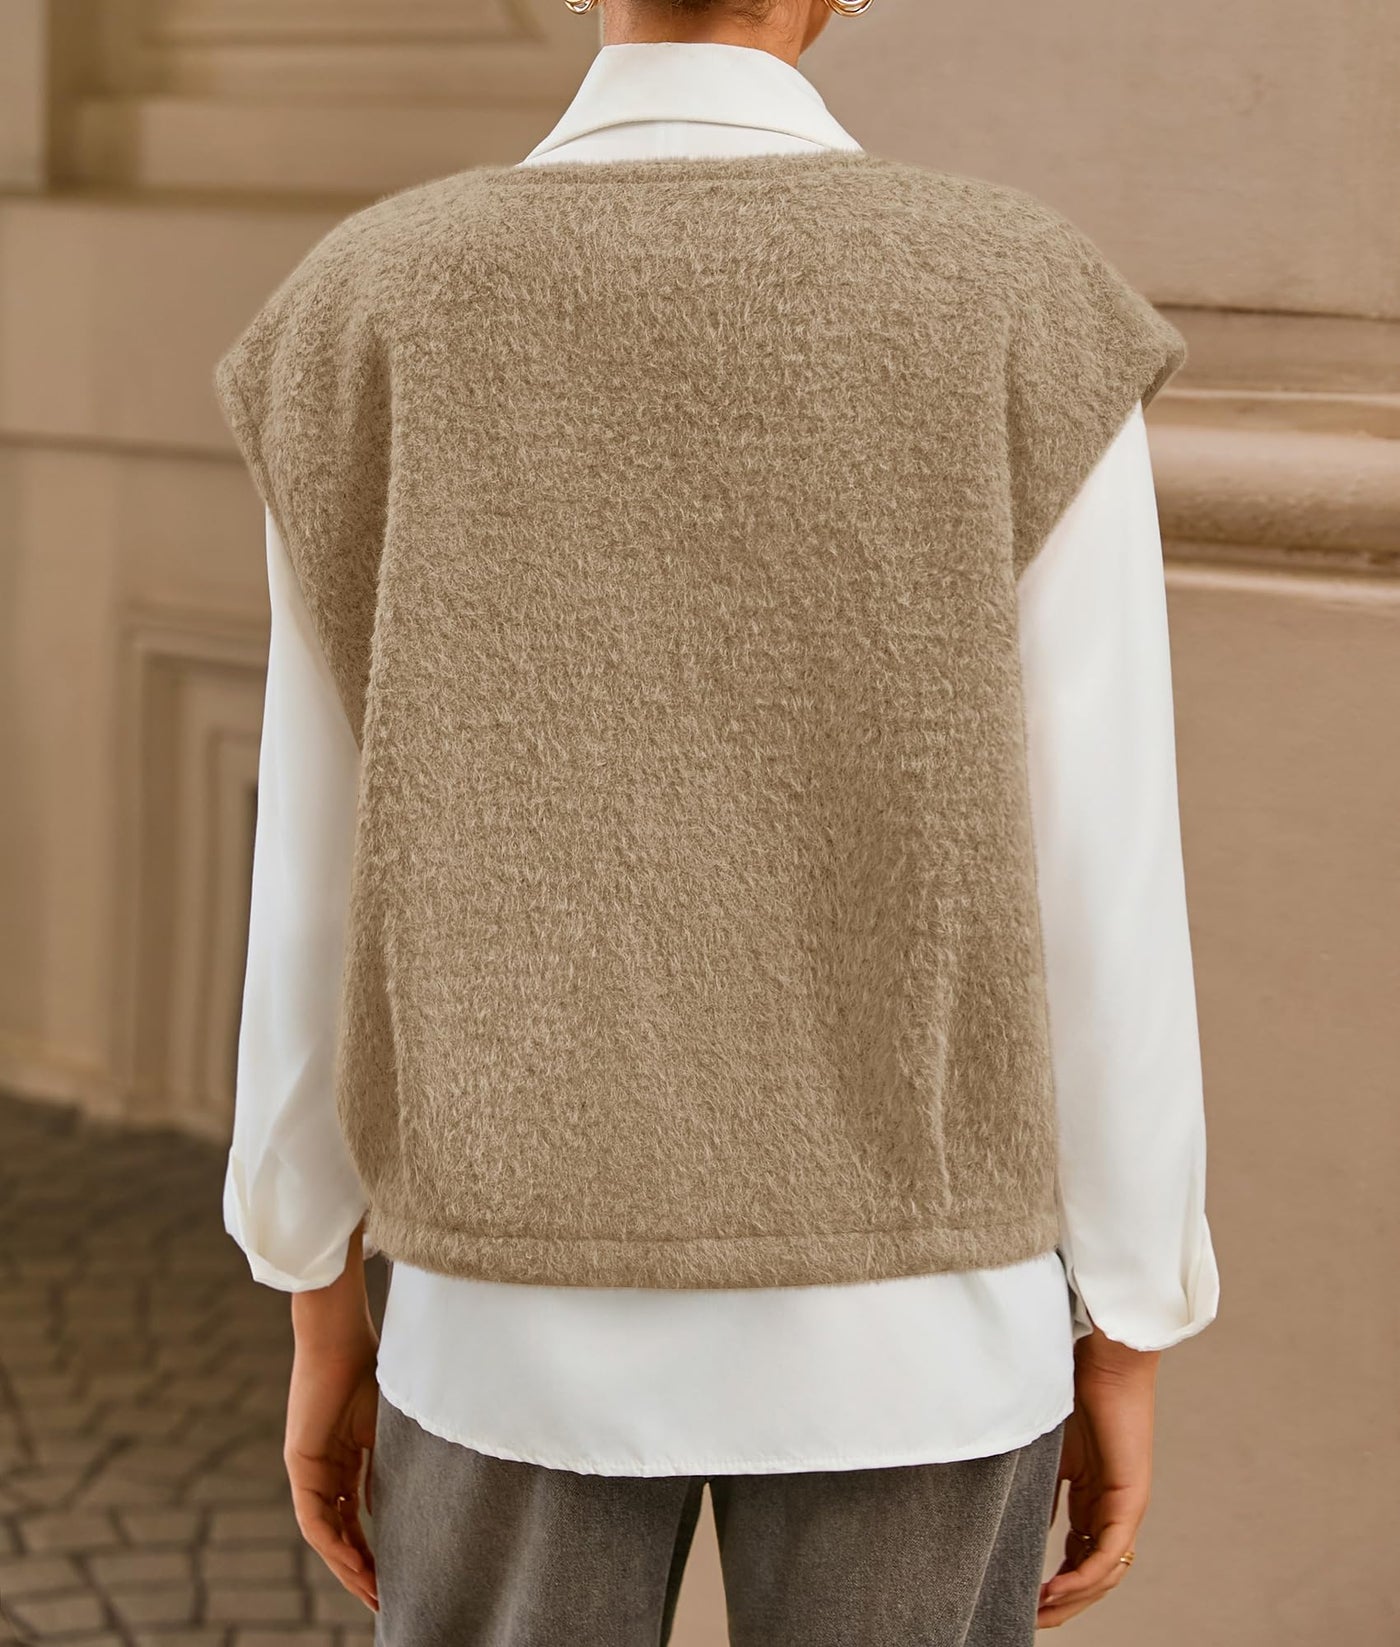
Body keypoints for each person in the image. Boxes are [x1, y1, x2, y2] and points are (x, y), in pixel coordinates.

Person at [214, 2, 1219, 1642]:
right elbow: (1099, 869)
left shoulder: (373, 302)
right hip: (925, 1318)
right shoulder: (1013, 298)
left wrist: (316, 1283)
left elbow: (320, 865)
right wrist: (1131, 1311)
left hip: (502, 1304)